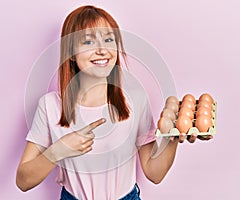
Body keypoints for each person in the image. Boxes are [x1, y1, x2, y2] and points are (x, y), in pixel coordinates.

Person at [16, 5, 212, 200]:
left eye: (108, 39)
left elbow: (154, 173)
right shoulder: (50, 106)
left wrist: (173, 137)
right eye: (88, 42)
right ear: (71, 53)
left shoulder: (135, 99)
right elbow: (23, 181)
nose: (102, 50)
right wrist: (58, 150)